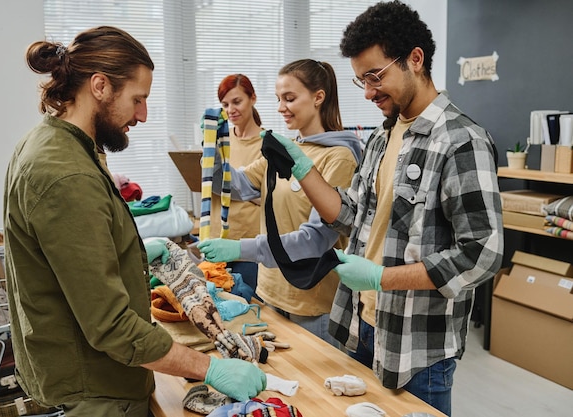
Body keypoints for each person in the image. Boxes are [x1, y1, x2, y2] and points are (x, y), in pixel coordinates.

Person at [3, 26, 265, 417]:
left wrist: (135, 253)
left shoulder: (55, 144)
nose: (143, 115)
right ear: (99, 86)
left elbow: (74, 260)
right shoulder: (66, 174)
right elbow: (110, 326)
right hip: (96, 391)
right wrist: (209, 367)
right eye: (137, 99)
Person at [261, 2, 503, 415]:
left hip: (416, 349)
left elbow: (482, 252)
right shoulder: (381, 137)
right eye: (361, 81)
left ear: (415, 59)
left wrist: (381, 277)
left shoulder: (460, 140)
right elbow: (352, 212)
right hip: (361, 327)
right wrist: (302, 168)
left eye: (375, 76)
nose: (370, 92)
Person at [198, 59, 361, 346]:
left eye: (289, 98)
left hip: (311, 304)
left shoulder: (339, 158)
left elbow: (314, 241)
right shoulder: (289, 149)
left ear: (318, 97)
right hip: (271, 293)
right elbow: (234, 186)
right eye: (278, 99)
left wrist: (240, 248)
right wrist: (213, 145)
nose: (280, 107)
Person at [208, 74, 264, 293]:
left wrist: (244, 190)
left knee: (248, 309)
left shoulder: (268, 143)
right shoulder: (219, 141)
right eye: (225, 104)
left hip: (247, 248)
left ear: (253, 98)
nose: (230, 109)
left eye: (237, 101)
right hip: (215, 241)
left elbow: (270, 196)